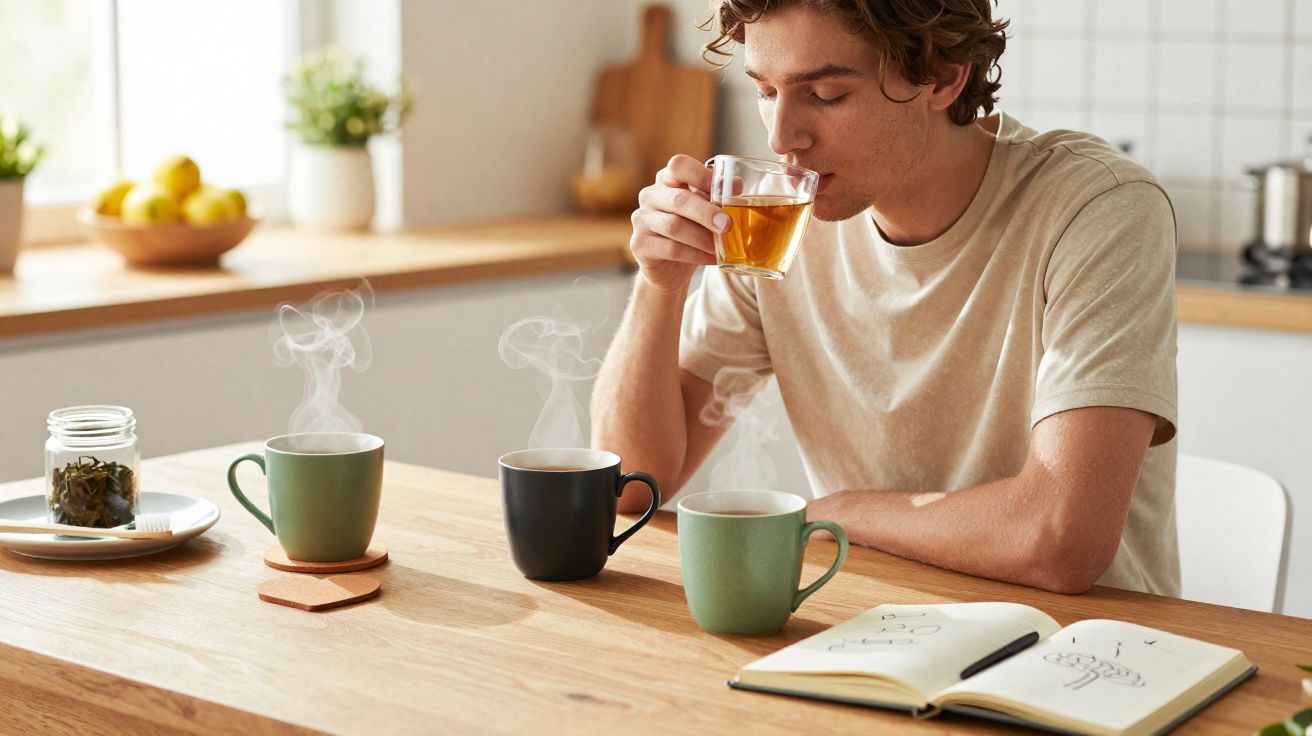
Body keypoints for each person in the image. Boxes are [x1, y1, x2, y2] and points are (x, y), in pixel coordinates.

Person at [590, 0, 1179, 596]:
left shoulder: (1096, 208)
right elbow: (629, 487)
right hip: (872, 624)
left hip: (1078, 640)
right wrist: (659, 285)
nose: (781, 137)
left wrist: (846, 512)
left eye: (825, 95)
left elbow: (1060, 540)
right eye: (766, 91)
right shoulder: (778, 224)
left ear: (942, 77)